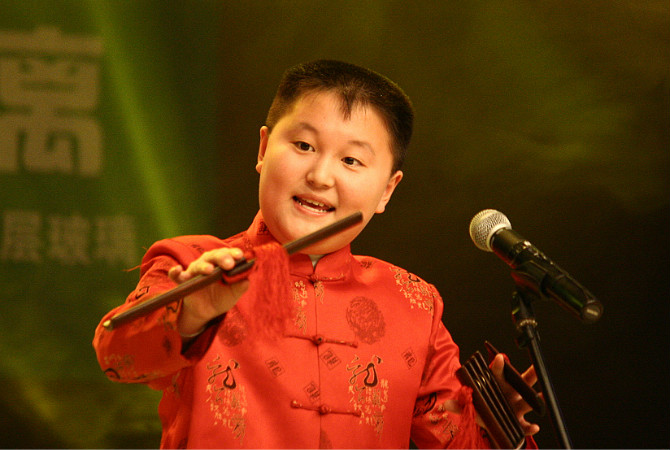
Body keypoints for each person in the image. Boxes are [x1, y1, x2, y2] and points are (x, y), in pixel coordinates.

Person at [93, 59, 539, 449]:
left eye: (351, 161)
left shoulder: (414, 303)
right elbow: (116, 356)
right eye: (304, 146)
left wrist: (496, 428)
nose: (321, 176)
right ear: (264, 149)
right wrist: (193, 313)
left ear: (387, 190)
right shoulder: (194, 262)